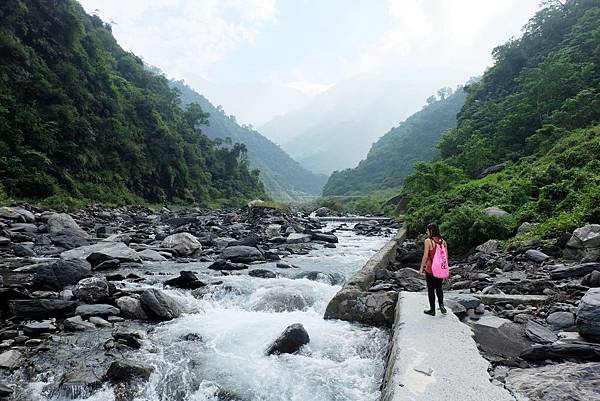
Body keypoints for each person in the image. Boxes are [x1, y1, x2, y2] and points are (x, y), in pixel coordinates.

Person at [419, 223, 447, 316]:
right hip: (440, 269)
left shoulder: (428, 241)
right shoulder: (443, 241)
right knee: (439, 287)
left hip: (430, 269)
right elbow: (445, 257)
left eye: (427, 231)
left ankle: (432, 310)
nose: (426, 232)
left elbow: (425, 256)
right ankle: (441, 305)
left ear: (431, 231)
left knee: (431, 289)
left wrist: (421, 267)